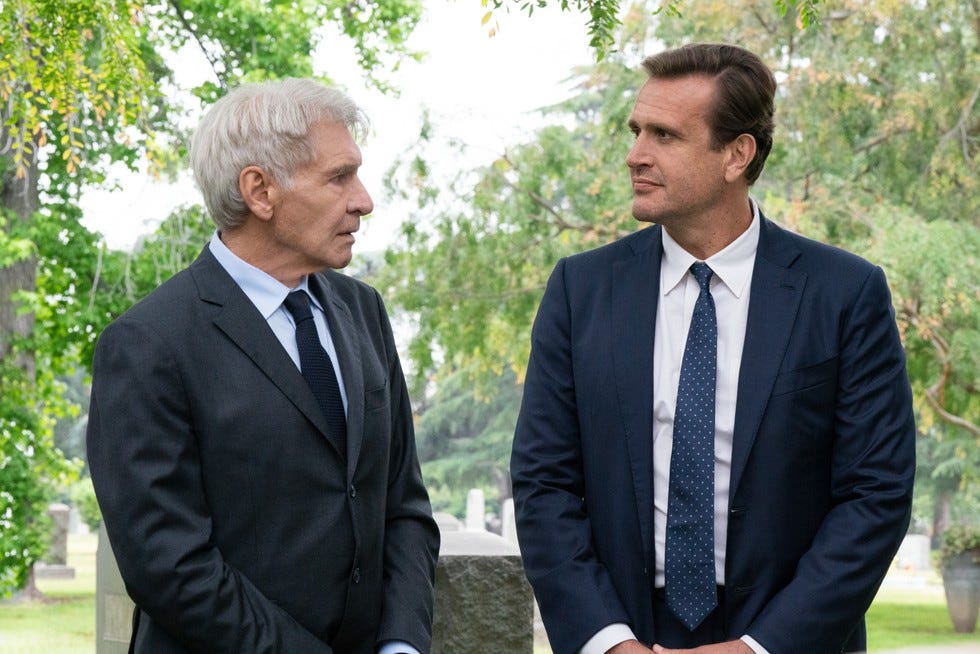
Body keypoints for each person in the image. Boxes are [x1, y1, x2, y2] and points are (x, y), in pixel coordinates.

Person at [510, 43, 915, 654]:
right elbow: (544, 484)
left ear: (736, 155)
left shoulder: (845, 293)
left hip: (786, 635)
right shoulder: (580, 289)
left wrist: (761, 647)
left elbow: (875, 494)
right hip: (625, 630)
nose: (635, 154)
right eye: (636, 131)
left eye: (664, 135)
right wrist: (607, 641)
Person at [87, 79, 439, 654]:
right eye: (339, 177)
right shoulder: (148, 344)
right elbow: (169, 566)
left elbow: (403, 506)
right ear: (260, 191)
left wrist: (401, 642)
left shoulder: (363, 310)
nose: (364, 200)